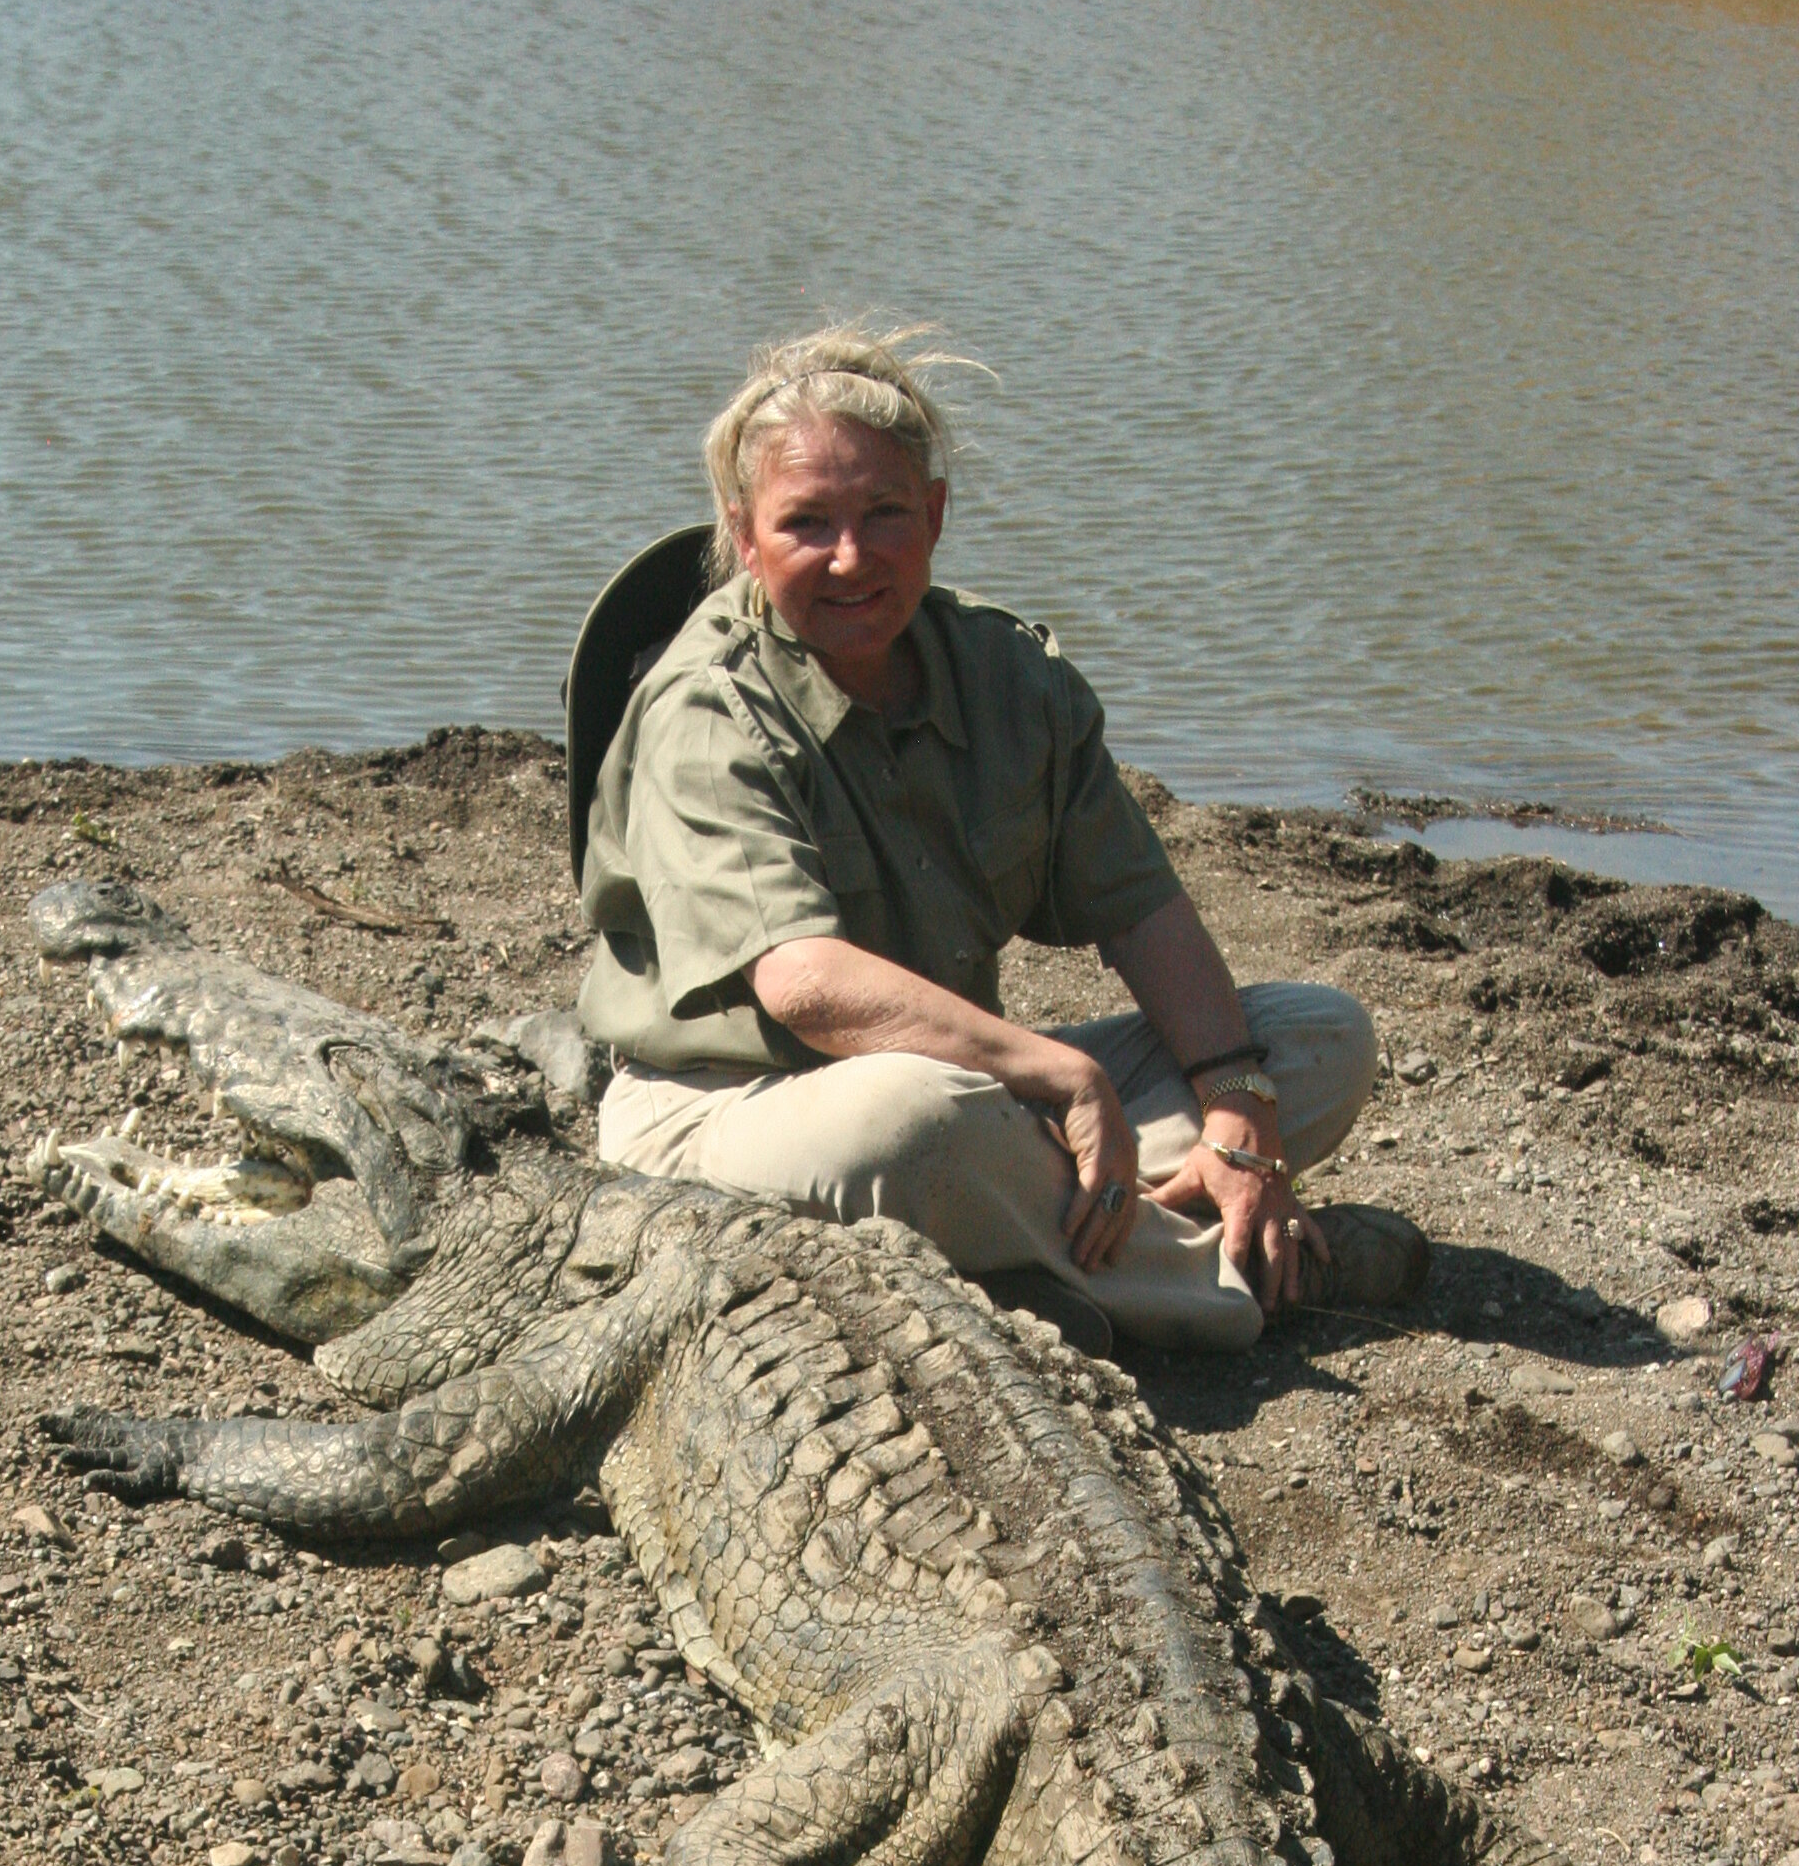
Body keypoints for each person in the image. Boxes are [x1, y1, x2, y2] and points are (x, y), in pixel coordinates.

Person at [578, 325, 1426, 1353]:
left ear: (934, 515)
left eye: (884, 513)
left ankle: (1055, 1249)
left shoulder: (1005, 674)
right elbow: (800, 984)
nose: (851, 557)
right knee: (916, 1120)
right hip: (724, 1109)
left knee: (1320, 1037)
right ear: (745, 539)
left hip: (972, 1090)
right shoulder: (706, 711)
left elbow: (1143, 908)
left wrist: (1238, 1105)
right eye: (807, 524)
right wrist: (1061, 1078)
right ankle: (1232, 1281)